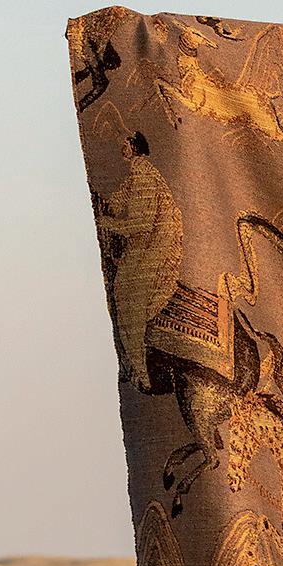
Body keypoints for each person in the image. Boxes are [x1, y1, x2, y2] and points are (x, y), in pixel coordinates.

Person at [94, 130, 183, 392]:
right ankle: (130, 365)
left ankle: (140, 373)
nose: (122, 145)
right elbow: (116, 202)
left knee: (127, 302)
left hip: (148, 251)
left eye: (126, 142)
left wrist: (107, 224)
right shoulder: (136, 176)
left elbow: (141, 225)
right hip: (140, 248)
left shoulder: (144, 178)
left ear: (134, 147)